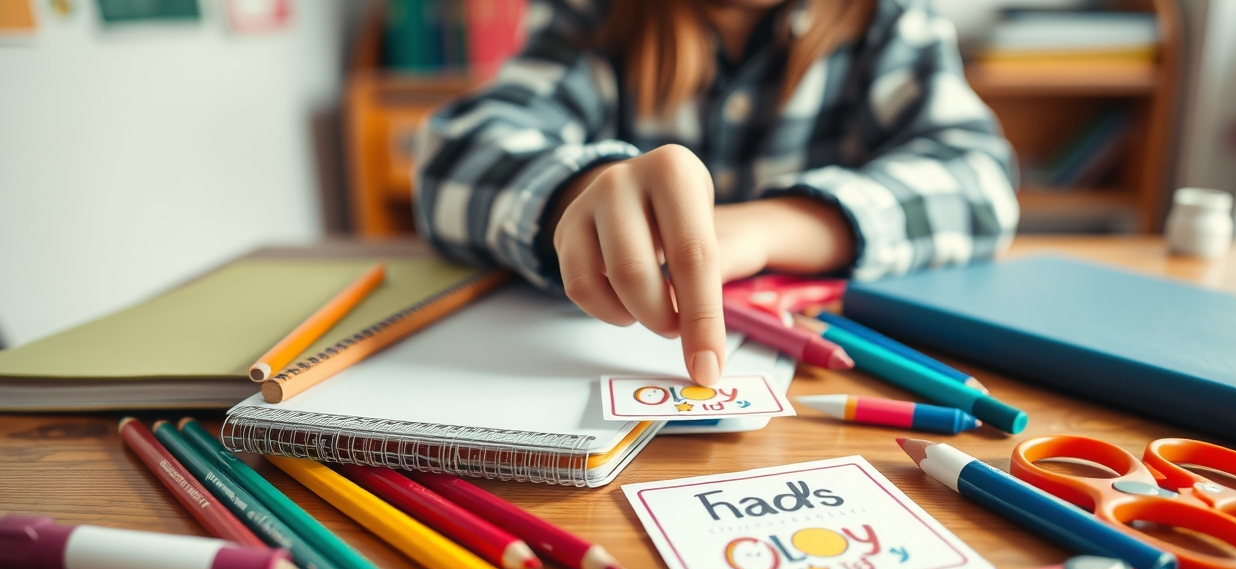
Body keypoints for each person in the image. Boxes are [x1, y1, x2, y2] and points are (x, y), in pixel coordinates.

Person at [414, 0, 1018, 385]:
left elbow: (981, 180)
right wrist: (583, 192)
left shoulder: (890, 19)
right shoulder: (594, 15)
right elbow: (450, 159)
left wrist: (768, 227)